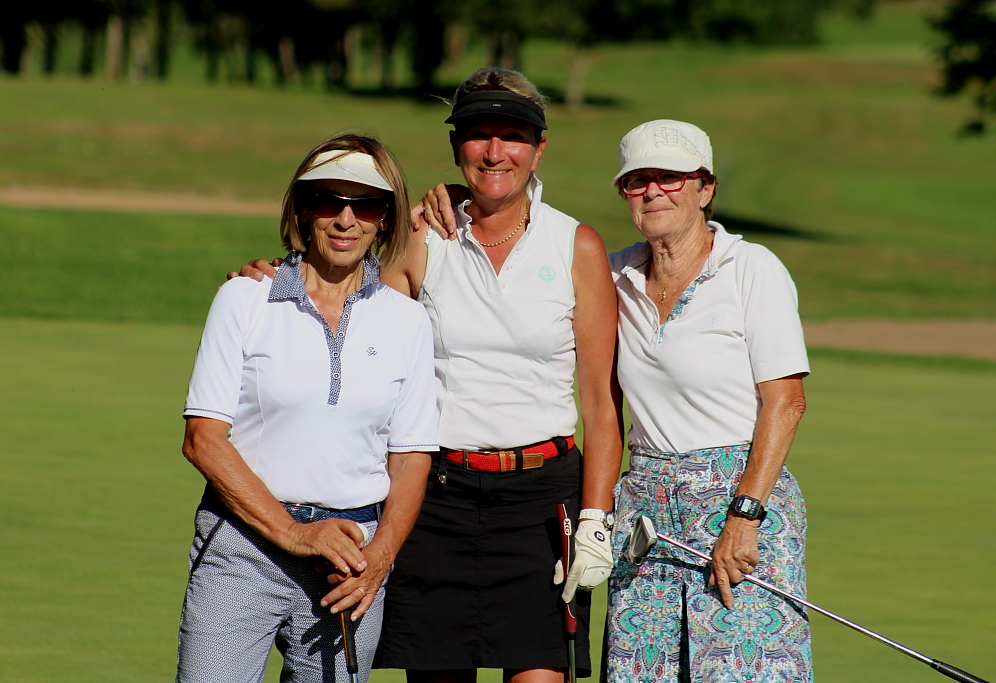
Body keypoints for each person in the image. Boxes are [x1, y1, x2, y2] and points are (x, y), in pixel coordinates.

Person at [236, 68, 623, 683]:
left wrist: (597, 519)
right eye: (477, 135)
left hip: (541, 505)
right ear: (454, 145)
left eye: (513, 136)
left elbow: (601, 404)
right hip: (436, 500)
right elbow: (350, 310)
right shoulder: (423, 236)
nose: (494, 152)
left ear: (539, 148)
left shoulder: (575, 245)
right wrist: (277, 276)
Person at [178, 133, 438, 683]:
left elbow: (411, 457)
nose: (346, 219)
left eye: (365, 204)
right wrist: (296, 535)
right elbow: (203, 439)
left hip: (352, 557)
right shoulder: (244, 298)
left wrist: (381, 558)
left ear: (385, 219)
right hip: (243, 545)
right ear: (301, 209)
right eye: (328, 200)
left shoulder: (408, 320)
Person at [603, 120, 813, 683]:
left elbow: (786, 402)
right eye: (638, 180)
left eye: (671, 178)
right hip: (645, 513)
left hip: (741, 501)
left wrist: (744, 516)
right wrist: (452, 201)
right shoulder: (614, 275)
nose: (653, 191)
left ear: (705, 188)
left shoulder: (751, 268)